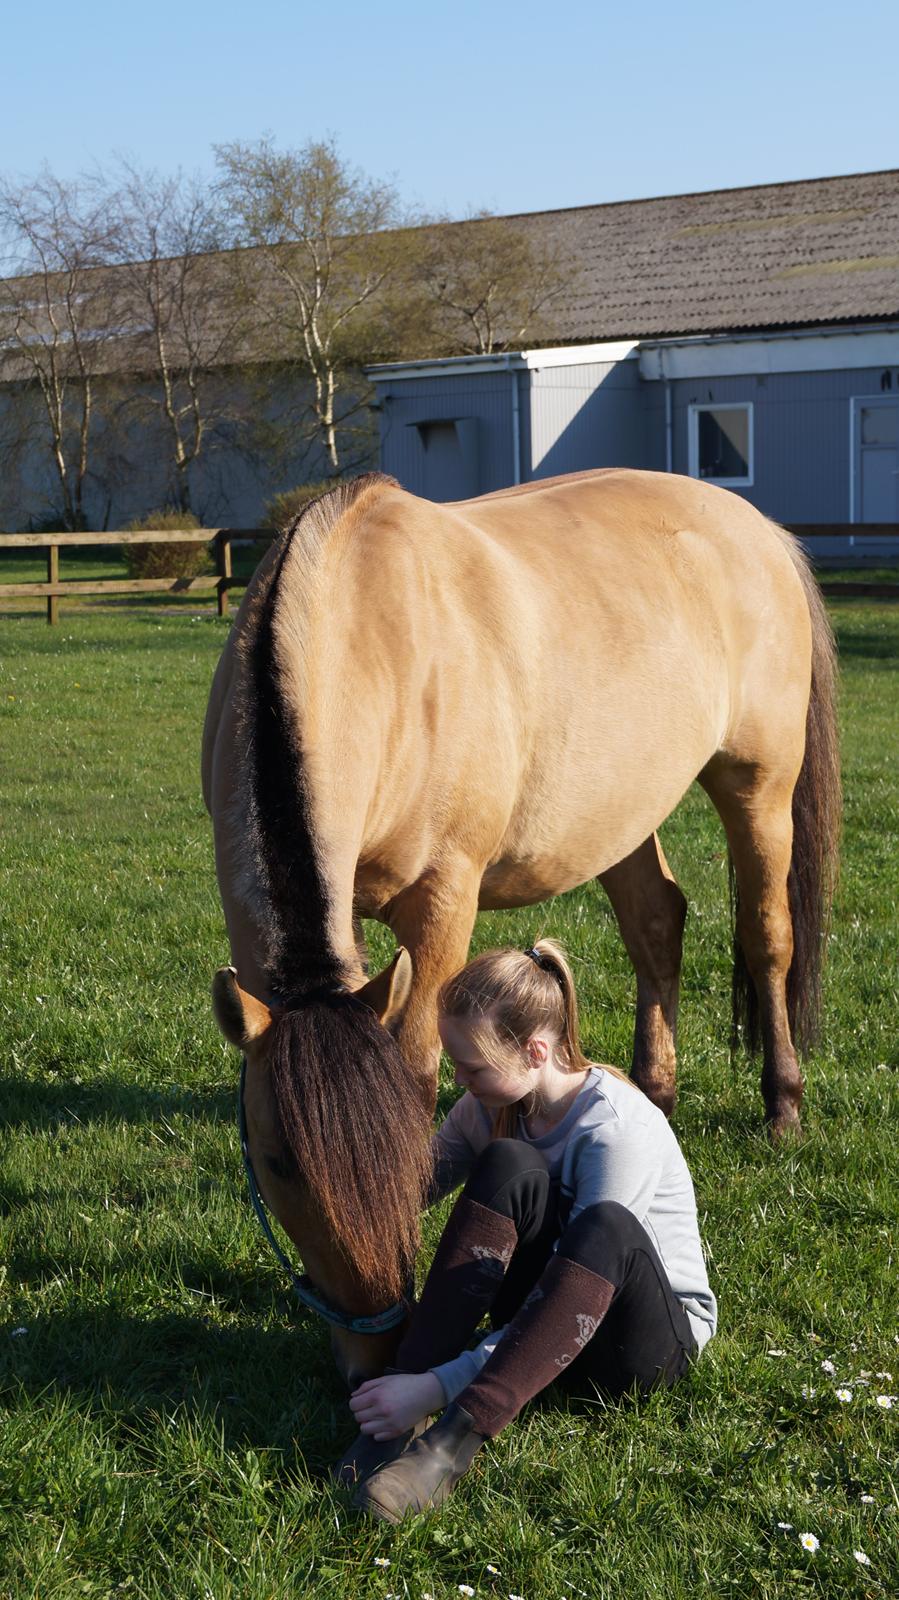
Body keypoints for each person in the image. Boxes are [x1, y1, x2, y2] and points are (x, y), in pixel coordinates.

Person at [337, 939, 717, 1523]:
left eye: (473, 1066)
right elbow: (407, 1192)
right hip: (550, 1322)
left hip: (638, 1349)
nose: (458, 1079)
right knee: (507, 1162)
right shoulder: (489, 1106)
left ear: (535, 1051)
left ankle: (448, 1447)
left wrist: (443, 1386)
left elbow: (578, 1289)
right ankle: (400, 1397)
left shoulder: (615, 1130)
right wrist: (330, 1208)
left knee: (606, 1224)